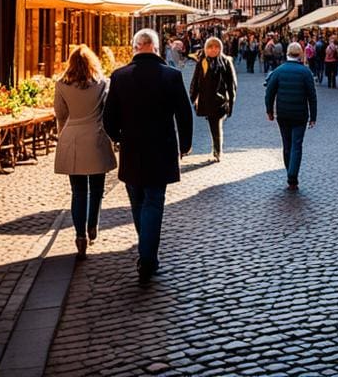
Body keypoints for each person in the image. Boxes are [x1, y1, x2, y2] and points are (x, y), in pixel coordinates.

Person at [103, 29, 192, 284]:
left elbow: (108, 119)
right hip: (161, 149)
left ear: (135, 47)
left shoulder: (120, 76)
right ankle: (147, 257)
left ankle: (146, 250)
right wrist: (184, 145)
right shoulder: (171, 76)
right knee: (154, 202)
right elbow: (184, 114)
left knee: (138, 202)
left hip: (132, 150)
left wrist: (119, 137)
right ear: (154, 47)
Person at [54, 45, 117, 259]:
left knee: (78, 191)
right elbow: (109, 113)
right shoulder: (102, 84)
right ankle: (93, 226)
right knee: (97, 189)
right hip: (96, 137)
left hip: (72, 139)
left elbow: (61, 114)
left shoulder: (62, 85)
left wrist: (63, 134)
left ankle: (80, 236)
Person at [265, 42, 318, 191]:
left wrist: (269, 110)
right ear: (300, 54)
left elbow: (269, 92)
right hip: (300, 115)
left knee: (287, 145)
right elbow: (312, 96)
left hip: (283, 114)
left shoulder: (279, 71)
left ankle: (290, 174)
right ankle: (292, 176)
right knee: (296, 145)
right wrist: (313, 116)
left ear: (287, 53)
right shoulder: (305, 72)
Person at [189, 36, 238, 162]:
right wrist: (192, 98)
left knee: (215, 125)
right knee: (213, 125)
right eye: (210, 47)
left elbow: (231, 84)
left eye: (216, 47)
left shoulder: (225, 62)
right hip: (206, 100)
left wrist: (230, 103)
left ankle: (217, 151)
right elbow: (196, 81)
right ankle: (216, 150)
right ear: (206, 49)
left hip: (219, 101)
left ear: (220, 48)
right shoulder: (202, 62)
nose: (213, 50)